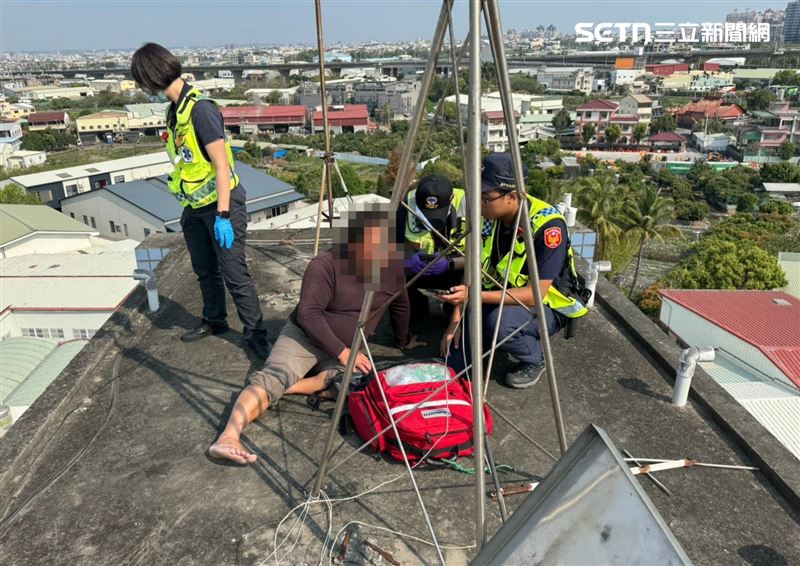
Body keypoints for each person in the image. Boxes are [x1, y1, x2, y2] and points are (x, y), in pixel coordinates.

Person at [208, 206, 424, 464]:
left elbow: (401, 306)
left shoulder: (391, 269)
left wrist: (404, 340)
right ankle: (229, 436)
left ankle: (288, 388)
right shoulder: (325, 265)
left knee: (359, 389)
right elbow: (308, 315)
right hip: (305, 337)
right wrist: (343, 353)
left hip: (349, 347)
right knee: (271, 378)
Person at [131, 43, 270, 359]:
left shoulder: (200, 109)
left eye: (142, 81)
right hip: (194, 208)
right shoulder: (173, 111)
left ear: (152, 77)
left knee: (234, 273)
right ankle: (214, 320)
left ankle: (256, 335)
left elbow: (222, 165)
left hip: (222, 206)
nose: (143, 89)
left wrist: (223, 214)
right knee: (205, 269)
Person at [440, 153, 589, 389]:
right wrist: (455, 321)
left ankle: (535, 357)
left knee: (498, 323)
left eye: (486, 198)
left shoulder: (548, 227)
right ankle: (484, 335)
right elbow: (472, 270)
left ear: (512, 196)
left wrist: (473, 298)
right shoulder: (489, 217)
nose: (479, 203)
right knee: (455, 363)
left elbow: (535, 295)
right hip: (500, 296)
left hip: (544, 306)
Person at [397, 174, 467, 317]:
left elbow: (481, 256)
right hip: (418, 270)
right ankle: (415, 315)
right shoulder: (406, 204)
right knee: (397, 276)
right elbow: (390, 246)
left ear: (452, 198)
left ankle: (454, 311)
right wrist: (407, 260)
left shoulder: (469, 204)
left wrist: (451, 263)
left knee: (467, 281)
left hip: (456, 270)